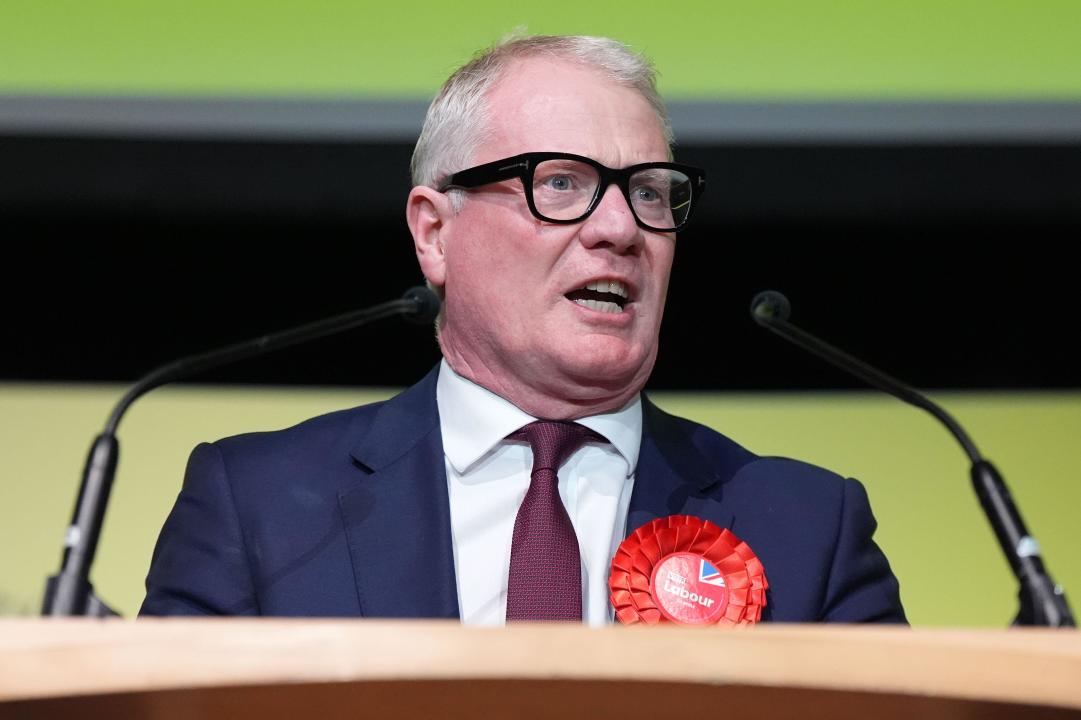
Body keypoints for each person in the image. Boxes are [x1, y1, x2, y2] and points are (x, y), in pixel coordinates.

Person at [141, 34, 905, 625]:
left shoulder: (807, 526)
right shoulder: (258, 503)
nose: (619, 228)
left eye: (648, 191)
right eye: (561, 183)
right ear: (435, 232)